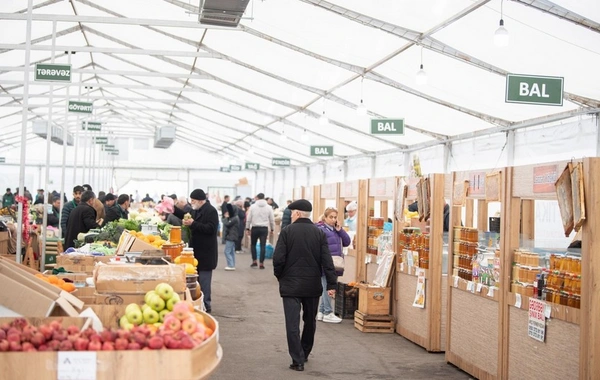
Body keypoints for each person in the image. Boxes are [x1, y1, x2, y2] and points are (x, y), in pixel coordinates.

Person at [273, 199, 337, 371]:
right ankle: (305, 352)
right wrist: (331, 284)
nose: (292, 215)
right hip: (312, 285)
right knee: (310, 321)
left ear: (298, 213)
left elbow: (278, 259)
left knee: (292, 324)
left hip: (291, 286)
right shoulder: (319, 233)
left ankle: (297, 360)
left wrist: (280, 276)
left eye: (293, 212)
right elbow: (327, 261)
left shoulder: (287, 232)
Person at [173, 189, 218, 313]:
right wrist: (172, 208)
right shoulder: (196, 210)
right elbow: (185, 215)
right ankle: (197, 303)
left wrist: (193, 224)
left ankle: (206, 305)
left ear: (200, 200)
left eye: (193, 200)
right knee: (195, 281)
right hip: (196, 251)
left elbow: (211, 229)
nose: (191, 202)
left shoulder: (211, 211)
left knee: (204, 280)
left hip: (206, 251)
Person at [315, 207, 351, 323]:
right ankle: (327, 312)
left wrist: (340, 230)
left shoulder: (336, 230)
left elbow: (347, 242)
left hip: (335, 262)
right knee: (328, 287)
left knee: (328, 286)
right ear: (325, 217)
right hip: (325, 263)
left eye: (335, 217)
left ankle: (321, 312)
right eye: (331, 217)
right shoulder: (320, 229)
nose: (333, 219)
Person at [245, 193, 275, 269]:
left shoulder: (252, 207)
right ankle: (261, 263)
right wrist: (272, 229)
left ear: (257, 198)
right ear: (264, 198)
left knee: (253, 245)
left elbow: (249, 219)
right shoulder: (269, 207)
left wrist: (247, 228)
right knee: (263, 246)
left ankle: (254, 261)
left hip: (255, 228)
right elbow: (272, 219)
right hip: (264, 228)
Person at [223, 203, 239, 271]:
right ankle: (232, 264)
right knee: (231, 251)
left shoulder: (234, 218)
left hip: (231, 236)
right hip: (233, 236)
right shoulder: (235, 217)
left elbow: (227, 223)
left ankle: (230, 265)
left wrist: (225, 218)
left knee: (227, 251)